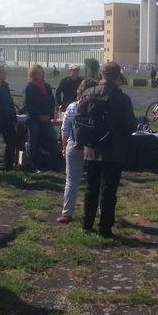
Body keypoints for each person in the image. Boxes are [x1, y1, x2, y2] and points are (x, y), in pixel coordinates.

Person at [81, 62, 137, 237]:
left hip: (91, 149)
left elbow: (80, 120)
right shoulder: (122, 99)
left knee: (91, 188)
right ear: (117, 76)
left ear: (101, 74)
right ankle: (104, 228)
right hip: (113, 150)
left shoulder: (87, 94)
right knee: (108, 191)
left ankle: (86, 223)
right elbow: (130, 126)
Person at [57, 78, 97, 223]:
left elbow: (65, 130)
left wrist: (63, 148)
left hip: (74, 144)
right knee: (94, 182)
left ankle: (66, 213)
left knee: (71, 180)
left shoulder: (72, 106)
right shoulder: (98, 107)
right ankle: (94, 212)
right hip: (93, 147)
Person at [24, 64, 61, 172]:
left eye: (41, 73)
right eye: (38, 73)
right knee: (34, 142)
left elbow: (51, 102)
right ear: (33, 74)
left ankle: (53, 164)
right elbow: (28, 105)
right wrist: (39, 116)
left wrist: (49, 115)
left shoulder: (47, 86)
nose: (40, 75)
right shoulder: (29, 87)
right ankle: (35, 166)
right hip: (34, 119)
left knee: (53, 140)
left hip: (47, 118)